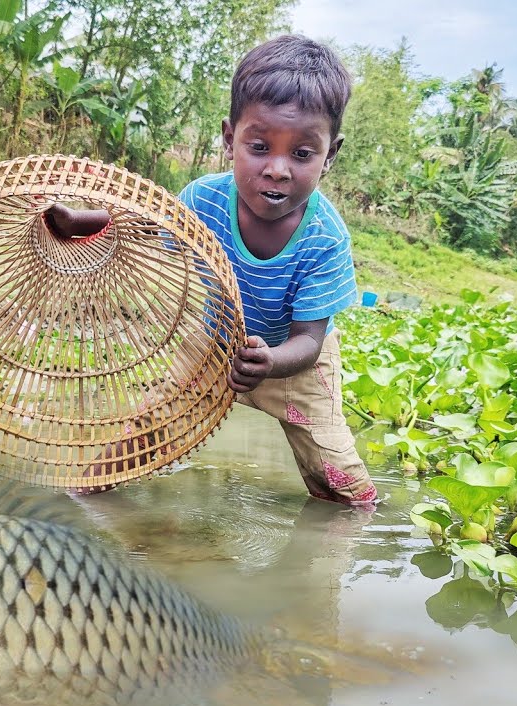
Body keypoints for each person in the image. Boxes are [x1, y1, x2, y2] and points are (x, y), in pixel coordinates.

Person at [44, 34, 377, 508]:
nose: (278, 169)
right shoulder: (205, 199)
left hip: (297, 364)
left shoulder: (325, 238)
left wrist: (271, 362)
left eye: (302, 154)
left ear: (330, 155)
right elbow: (144, 223)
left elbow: (309, 338)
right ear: (229, 139)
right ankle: (82, 494)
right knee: (141, 433)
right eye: (260, 146)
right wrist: (80, 222)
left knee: (341, 484)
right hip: (212, 346)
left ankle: (354, 519)